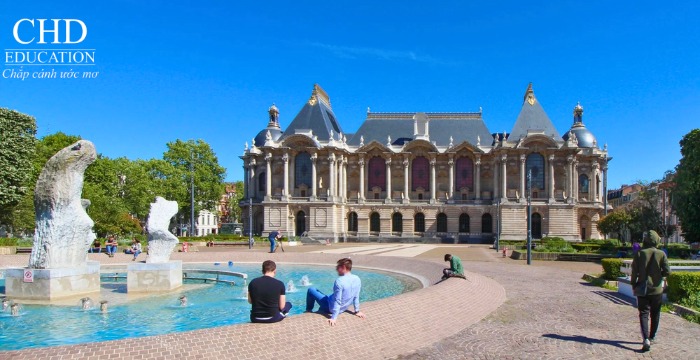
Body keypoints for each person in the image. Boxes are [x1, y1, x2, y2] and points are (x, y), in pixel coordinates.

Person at [631, 230, 670, 352]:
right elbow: (668, 271)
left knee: (643, 313)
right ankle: (652, 336)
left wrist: (633, 284)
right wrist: (659, 275)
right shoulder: (661, 254)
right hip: (657, 289)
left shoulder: (639, 254)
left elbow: (634, 272)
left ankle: (646, 339)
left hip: (642, 289)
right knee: (655, 313)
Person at [306, 257, 366, 326]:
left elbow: (338, 301)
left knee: (311, 290)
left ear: (343, 267)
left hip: (329, 307)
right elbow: (356, 296)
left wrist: (333, 317)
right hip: (343, 307)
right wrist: (357, 311)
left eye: (338, 267)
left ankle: (308, 310)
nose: (336, 269)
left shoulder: (339, 281)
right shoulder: (357, 279)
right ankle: (320, 308)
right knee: (325, 295)